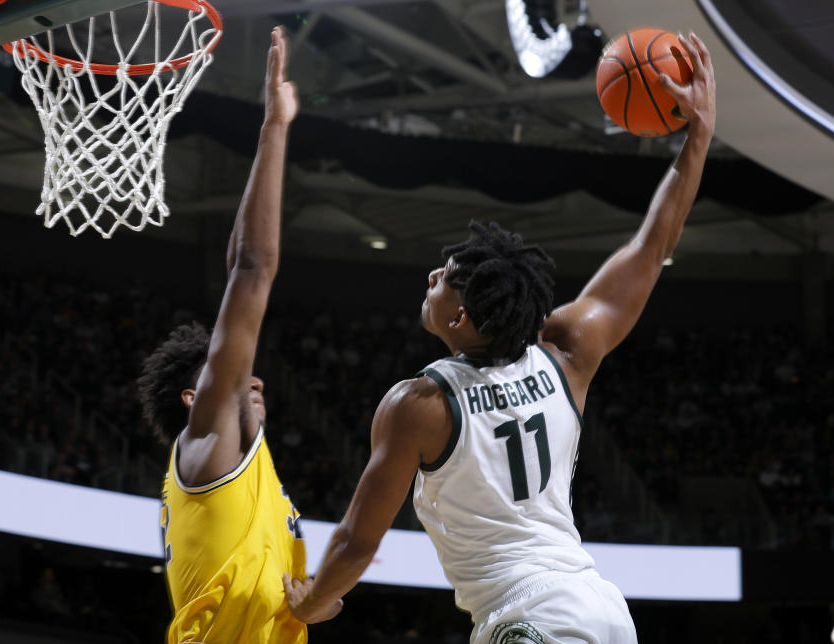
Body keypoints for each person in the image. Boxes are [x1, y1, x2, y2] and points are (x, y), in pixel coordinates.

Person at [284, 33, 715, 643]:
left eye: (447, 279)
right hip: (602, 611)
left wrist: (313, 602)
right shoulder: (566, 353)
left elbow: (358, 540)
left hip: (530, 619)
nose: (434, 276)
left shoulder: (419, 407)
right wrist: (698, 138)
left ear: (461, 321)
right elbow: (651, 249)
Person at [136, 27, 313, 644]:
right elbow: (251, 271)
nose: (253, 376)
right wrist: (275, 129)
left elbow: (240, 264)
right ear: (197, 397)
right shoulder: (207, 443)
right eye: (236, 375)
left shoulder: (243, 466)